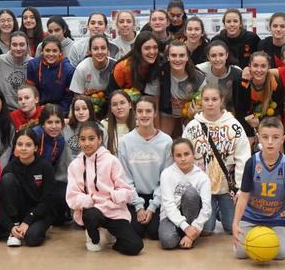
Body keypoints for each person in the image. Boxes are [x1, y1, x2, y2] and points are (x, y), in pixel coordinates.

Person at [66, 121, 144, 255]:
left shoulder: (112, 160)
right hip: (93, 211)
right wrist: (89, 200)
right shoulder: (75, 165)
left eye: (91, 139)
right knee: (91, 215)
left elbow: (126, 190)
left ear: (100, 139)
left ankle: (110, 236)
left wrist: (115, 196)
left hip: (114, 210)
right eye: (83, 139)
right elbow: (72, 197)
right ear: (78, 141)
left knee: (135, 246)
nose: (87, 143)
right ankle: (93, 237)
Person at [231, 118, 285, 260]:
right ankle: (249, 233)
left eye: (275, 137)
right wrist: (235, 223)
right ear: (258, 138)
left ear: (282, 139)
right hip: (251, 216)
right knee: (240, 253)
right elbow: (244, 196)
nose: (270, 142)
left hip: (275, 217)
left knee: (280, 254)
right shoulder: (251, 163)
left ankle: (276, 232)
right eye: (265, 137)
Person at [182, 86, 248, 235]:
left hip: (227, 187)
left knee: (231, 228)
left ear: (222, 101)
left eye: (214, 99)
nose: (210, 103)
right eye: (206, 100)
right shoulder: (193, 126)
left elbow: (243, 157)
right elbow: (184, 155)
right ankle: (214, 211)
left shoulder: (234, 125)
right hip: (204, 188)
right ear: (201, 102)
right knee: (206, 230)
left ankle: (220, 211)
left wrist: (240, 187)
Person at [117, 96, 173, 240]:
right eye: (140, 111)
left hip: (158, 197)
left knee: (155, 233)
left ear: (155, 113)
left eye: (148, 111)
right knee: (137, 232)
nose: (144, 115)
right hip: (134, 196)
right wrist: (139, 207)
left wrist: (152, 207)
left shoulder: (166, 141)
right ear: (135, 113)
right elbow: (125, 179)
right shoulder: (126, 142)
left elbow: (167, 179)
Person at [0, 129, 65, 247]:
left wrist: (29, 220)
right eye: (20, 144)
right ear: (15, 147)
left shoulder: (45, 167)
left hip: (39, 212)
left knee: (32, 239)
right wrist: (11, 226)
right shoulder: (9, 168)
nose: (23, 148)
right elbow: (0, 201)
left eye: (28, 145)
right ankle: (14, 230)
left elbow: (48, 200)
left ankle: (37, 227)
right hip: (17, 214)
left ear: (35, 148)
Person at [157, 138, 212, 250]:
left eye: (186, 154)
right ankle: (187, 233)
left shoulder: (202, 177)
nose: (183, 159)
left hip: (191, 217)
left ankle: (190, 235)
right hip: (170, 217)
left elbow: (206, 208)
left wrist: (193, 229)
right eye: (178, 155)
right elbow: (168, 205)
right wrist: (185, 227)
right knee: (168, 242)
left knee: (190, 193)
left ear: (193, 154)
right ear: (173, 157)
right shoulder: (166, 174)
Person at [156, 40, 204, 136]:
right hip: (166, 112)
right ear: (168, 57)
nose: (177, 59)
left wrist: (195, 112)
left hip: (189, 114)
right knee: (164, 140)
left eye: (181, 55)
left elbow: (203, 103)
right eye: (173, 55)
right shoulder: (159, 73)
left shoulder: (198, 77)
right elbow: (154, 104)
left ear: (187, 57)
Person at [27, 35, 75, 113]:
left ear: (60, 52)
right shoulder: (32, 65)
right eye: (47, 50)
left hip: (59, 110)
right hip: (37, 109)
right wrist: (37, 110)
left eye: (55, 51)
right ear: (42, 51)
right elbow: (31, 92)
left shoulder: (69, 70)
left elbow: (68, 97)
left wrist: (60, 113)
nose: (51, 54)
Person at [70, 34, 115, 102]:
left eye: (103, 48)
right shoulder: (82, 68)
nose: (100, 52)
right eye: (95, 49)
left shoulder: (115, 66)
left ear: (108, 50)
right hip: (87, 107)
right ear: (90, 51)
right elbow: (77, 96)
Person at [0, 31, 31, 109]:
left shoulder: (33, 64)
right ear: (9, 46)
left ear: (27, 46)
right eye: (14, 45)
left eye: (22, 45)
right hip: (4, 109)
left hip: (25, 109)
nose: (18, 48)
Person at [100, 90, 135, 154]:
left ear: (130, 105)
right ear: (111, 109)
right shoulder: (104, 124)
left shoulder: (138, 125)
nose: (119, 107)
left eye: (122, 103)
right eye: (115, 104)